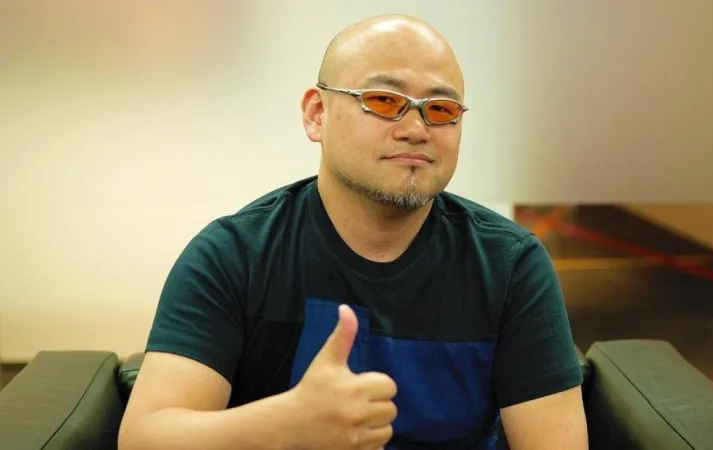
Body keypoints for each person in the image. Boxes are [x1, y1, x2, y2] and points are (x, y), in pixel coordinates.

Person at [118, 13, 588, 450]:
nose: (416, 128)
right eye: (384, 100)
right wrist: (284, 424)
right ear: (316, 114)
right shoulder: (234, 255)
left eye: (441, 109)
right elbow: (144, 436)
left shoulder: (510, 266)